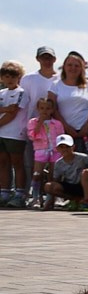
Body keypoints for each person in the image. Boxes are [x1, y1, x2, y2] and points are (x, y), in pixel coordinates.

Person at [0, 60, 26, 207]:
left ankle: (20, 193)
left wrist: (6, 111)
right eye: (6, 77)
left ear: (19, 77)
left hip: (15, 134)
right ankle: (4, 191)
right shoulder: (1, 93)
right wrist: (5, 109)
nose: (9, 80)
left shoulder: (21, 93)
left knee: (17, 163)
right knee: (2, 163)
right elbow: (7, 110)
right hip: (1, 134)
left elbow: (13, 112)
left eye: (13, 76)